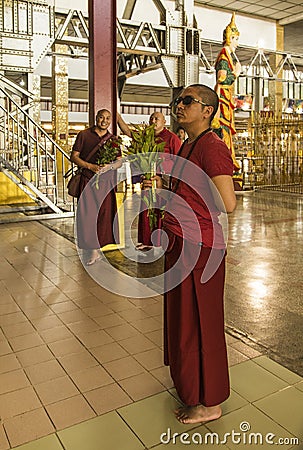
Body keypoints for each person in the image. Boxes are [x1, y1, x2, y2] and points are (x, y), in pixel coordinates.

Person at [143, 84, 236, 424]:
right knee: (184, 320)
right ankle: (191, 387)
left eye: (187, 101)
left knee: (201, 324)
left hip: (201, 248)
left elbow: (227, 203)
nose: (178, 105)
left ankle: (209, 402)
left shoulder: (211, 147)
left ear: (207, 110)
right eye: (178, 100)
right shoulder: (187, 145)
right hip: (181, 243)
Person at [118, 111, 181, 249]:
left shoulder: (172, 138)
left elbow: (179, 162)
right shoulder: (146, 137)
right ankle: (146, 241)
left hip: (164, 181)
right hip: (148, 179)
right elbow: (128, 132)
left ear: (164, 122)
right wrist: (117, 116)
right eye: (151, 118)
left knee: (161, 210)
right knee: (146, 208)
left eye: (157, 118)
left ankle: (161, 241)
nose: (153, 121)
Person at [70, 109, 121, 265]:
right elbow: (74, 156)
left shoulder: (113, 139)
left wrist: (110, 166)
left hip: (105, 183)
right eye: (101, 117)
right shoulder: (84, 135)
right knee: (88, 216)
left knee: (104, 216)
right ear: (96, 118)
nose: (104, 121)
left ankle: (98, 249)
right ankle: (92, 249)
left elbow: (119, 161)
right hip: (87, 180)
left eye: (107, 118)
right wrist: (90, 166)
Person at [213, 12, 241, 174]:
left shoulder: (228, 56)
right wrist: (235, 73)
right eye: (236, 39)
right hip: (223, 99)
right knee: (223, 132)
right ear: (230, 38)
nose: (237, 43)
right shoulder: (224, 56)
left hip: (226, 99)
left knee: (226, 132)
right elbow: (222, 77)